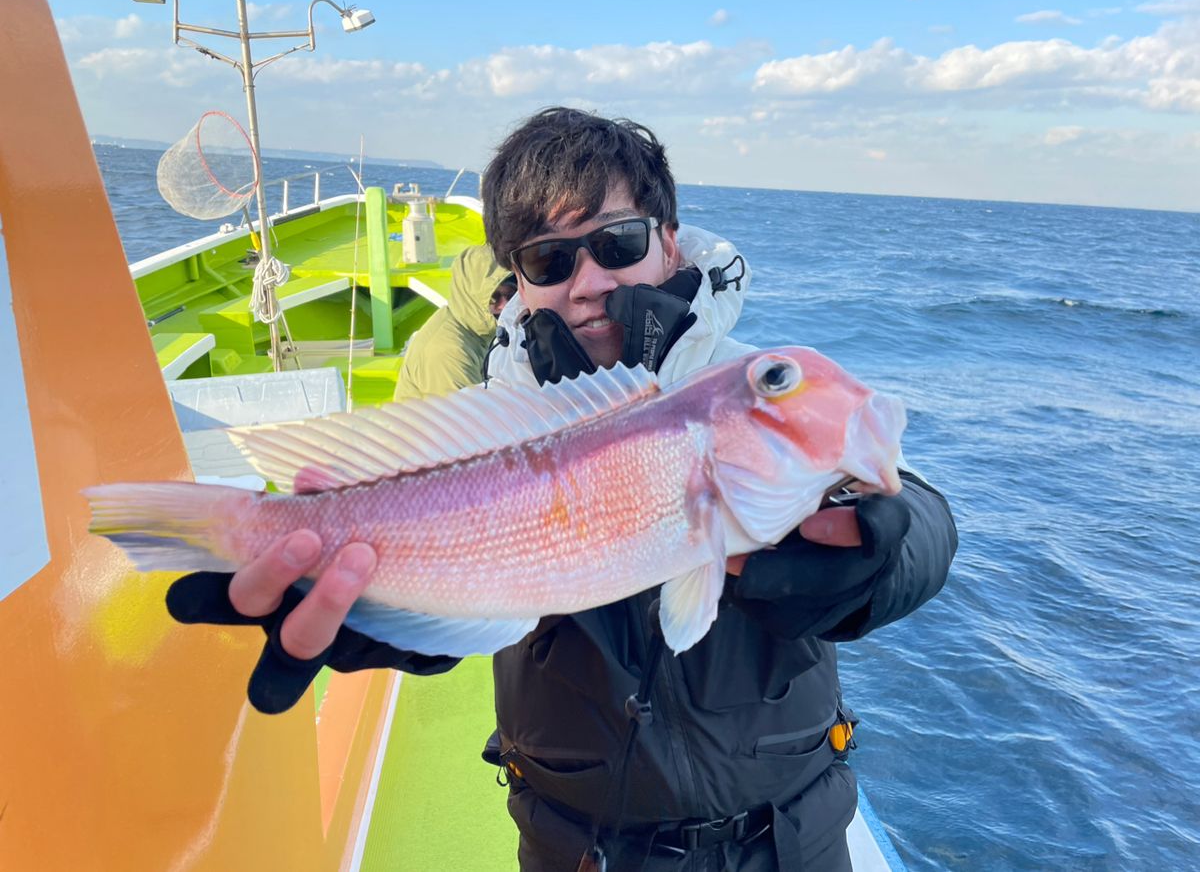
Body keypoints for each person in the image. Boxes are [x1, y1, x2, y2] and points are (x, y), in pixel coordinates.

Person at [166, 107, 957, 871]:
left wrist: (885, 553)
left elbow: (916, 510)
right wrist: (390, 616)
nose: (589, 282)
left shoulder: (742, 391)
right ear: (515, 282)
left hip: (790, 835)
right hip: (578, 845)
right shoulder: (482, 410)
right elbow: (453, 571)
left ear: (670, 245)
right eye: (550, 259)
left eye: (617, 242)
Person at [392, 244, 513, 402]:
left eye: (511, 295)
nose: (503, 306)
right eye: (494, 298)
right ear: (472, 297)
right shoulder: (448, 353)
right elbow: (471, 421)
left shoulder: (471, 327)